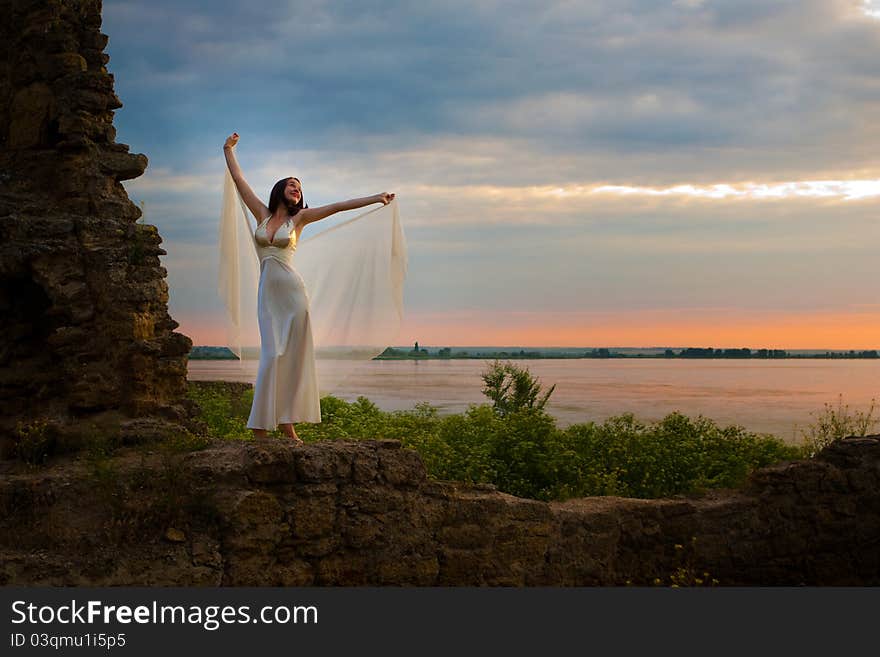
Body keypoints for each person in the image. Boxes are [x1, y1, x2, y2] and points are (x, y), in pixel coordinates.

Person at [222, 132, 395, 443]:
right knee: (271, 355)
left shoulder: (299, 220)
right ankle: (260, 426)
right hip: (268, 295)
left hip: (293, 295)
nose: (297, 191)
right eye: (292, 186)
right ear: (280, 190)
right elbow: (238, 179)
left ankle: (287, 424)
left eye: (300, 189)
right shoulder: (261, 215)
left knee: (294, 357)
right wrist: (228, 149)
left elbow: (339, 206)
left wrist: (375, 198)